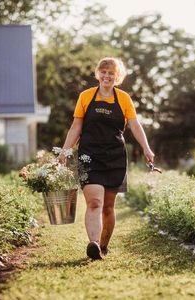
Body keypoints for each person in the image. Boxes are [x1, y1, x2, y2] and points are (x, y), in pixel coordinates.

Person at [59, 57, 155, 260]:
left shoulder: (123, 99)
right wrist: (65, 151)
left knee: (108, 206)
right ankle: (93, 243)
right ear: (98, 74)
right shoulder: (85, 97)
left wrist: (146, 148)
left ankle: (103, 245)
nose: (107, 76)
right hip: (89, 156)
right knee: (94, 202)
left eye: (111, 73)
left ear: (117, 76)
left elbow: (135, 125)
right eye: (103, 72)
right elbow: (76, 127)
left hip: (115, 157)